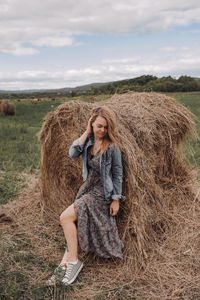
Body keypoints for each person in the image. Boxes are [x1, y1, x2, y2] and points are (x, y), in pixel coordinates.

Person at [47, 106, 125, 286]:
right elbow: (72, 152)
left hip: (101, 193)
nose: (103, 130)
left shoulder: (112, 147)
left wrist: (115, 199)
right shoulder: (88, 142)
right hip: (87, 188)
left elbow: (117, 173)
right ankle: (62, 267)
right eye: (99, 126)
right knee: (71, 222)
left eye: (106, 127)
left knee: (65, 217)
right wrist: (86, 131)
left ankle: (73, 262)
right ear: (92, 124)